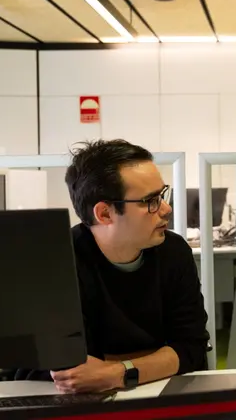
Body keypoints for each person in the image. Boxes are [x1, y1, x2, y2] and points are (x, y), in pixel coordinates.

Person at [48, 139, 209, 394]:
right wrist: (157, 360)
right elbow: (72, 372)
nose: (166, 209)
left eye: (162, 195)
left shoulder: (173, 252)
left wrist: (116, 372)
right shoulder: (59, 262)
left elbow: (192, 349)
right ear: (105, 214)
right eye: (151, 200)